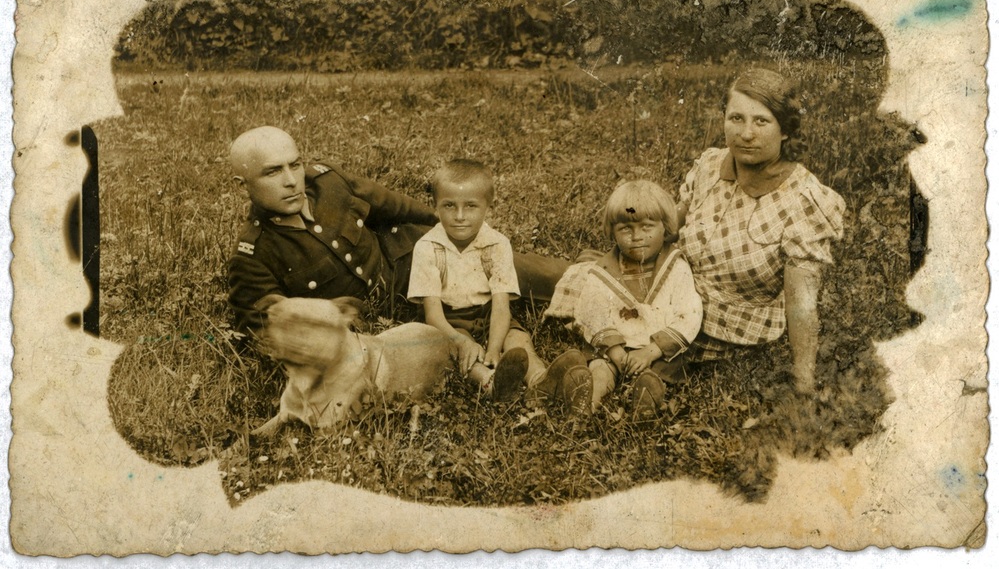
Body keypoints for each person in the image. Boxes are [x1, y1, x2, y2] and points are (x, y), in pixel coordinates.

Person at [227, 126, 569, 336]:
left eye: (295, 164)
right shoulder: (254, 256)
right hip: (386, 318)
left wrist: (447, 228)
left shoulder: (328, 182)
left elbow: (393, 205)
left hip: (408, 257)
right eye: (273, 172)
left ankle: (589, 273)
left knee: (534, 273)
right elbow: (267, 332)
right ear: (243, 184)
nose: (291, 180)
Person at [676, 68, 845, 394]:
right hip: (674, 302)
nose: (746, 133)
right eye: (736, 118)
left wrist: (803, 381)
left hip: (731, 329)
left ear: (785, 130)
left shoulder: (803, 199)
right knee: (593, 275)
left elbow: (802, 303)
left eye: (761, 122)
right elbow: (669, 228)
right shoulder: (710, 165)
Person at [539, 180, 703, 418]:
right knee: (600, 366)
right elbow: (592, 312)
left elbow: (689, 313)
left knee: (659, 372)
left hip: (657, 350)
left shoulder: (675, 266)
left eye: (647, 227)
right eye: (626, 229)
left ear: (665, 227)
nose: (637, 236)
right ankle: (586, 404)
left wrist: (651, 351)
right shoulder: (604, 270)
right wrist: (616, 352)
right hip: (614, 345)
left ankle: (645, 400)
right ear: (612, 231)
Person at [407, 159, 545, 401]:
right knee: (458, 351)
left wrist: (494, 348)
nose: (460, 216)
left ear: (487, 207)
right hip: (450, 321)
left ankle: (541, 380)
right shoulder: (427, 247)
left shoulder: (497, 244)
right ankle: (490, 383)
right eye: (449, 205)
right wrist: (461, 340)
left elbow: (501, 306)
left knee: (518, 339)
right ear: (435, 206)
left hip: (491, 314)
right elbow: (433, 315)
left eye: (471, 206)